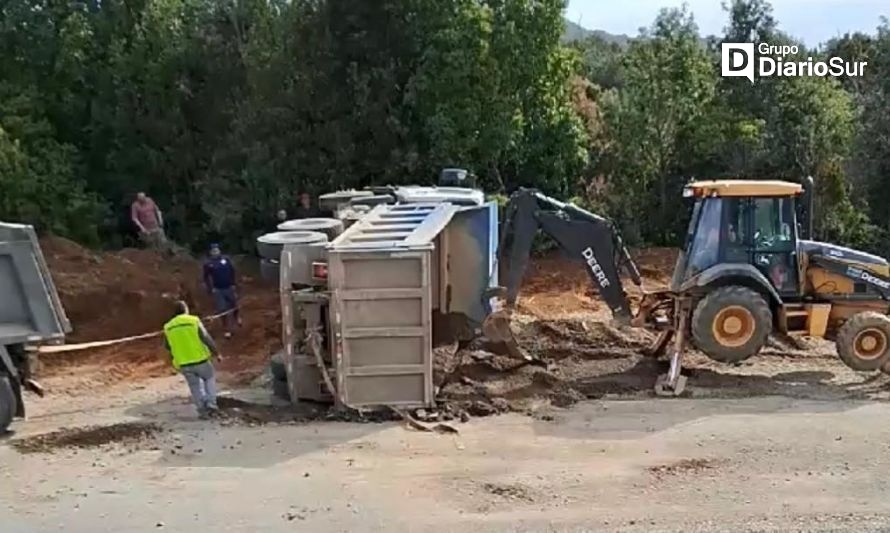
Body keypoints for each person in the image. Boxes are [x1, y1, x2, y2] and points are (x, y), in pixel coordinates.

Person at [163, 301, 223, 419]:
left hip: (184, 363)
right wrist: (217, 353)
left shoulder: (168, 327)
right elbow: (206, 337)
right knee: (209, 378)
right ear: (186, 309)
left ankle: (201, 410)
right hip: (200, 359)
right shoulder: (193, 321)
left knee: (195, 386)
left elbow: (167, 346)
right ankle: (211, 404)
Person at [203, 243, 241, 338]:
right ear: (210, 252)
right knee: (222, 309)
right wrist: (210, 289)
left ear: (219, 250)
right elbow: (206, 277)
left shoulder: (226, 259)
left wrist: (233, 284)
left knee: (234, 304)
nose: (215, 252)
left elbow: (232, 271)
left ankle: (236, 319)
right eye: (213, 250)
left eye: (217, 250)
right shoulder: (208, 264)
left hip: (229, 287)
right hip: (218, 289)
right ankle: (226, 329)